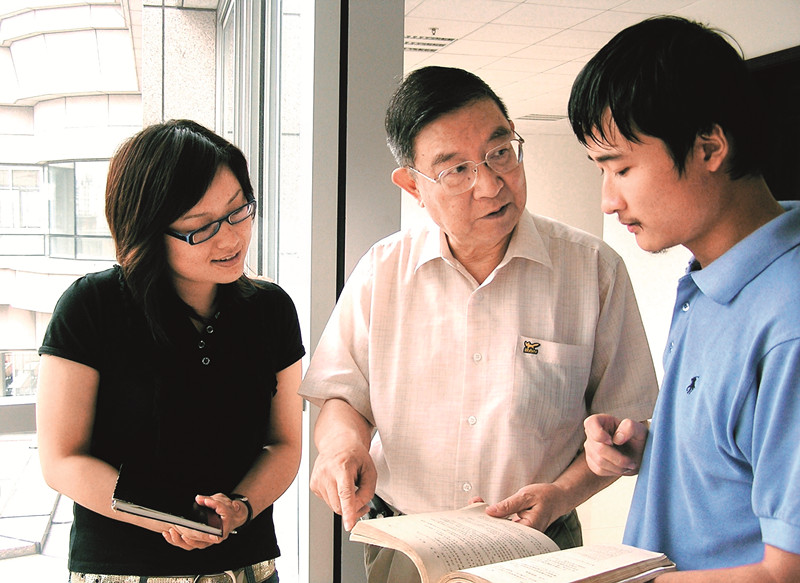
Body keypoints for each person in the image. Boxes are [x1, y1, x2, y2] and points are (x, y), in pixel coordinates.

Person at [299, 65, 659, 582]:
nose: (490, 185)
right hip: (408, 547)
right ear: (413, 186)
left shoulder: (593, 269)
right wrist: (342, 446)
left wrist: (565, 492)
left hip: (542, 547)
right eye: (456, 170)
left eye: (500, 153)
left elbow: (624, 420)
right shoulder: (383, 271)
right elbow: (343, 394)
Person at [569, 16, 800, 581]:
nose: (607, 200)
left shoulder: (788, 319)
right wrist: (658, 450)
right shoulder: (708, 281)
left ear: (709, 147)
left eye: (620, 167)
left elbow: (783, 573)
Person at [36, 120, 305, 583]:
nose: (231, 238)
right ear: (147, 228)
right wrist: (165, 516)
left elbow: (284, 443)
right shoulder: (92, 306)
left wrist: (239, 508)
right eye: (201, 227)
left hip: (244, 567)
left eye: (239, 211)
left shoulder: (270, 309)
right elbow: (62, 459)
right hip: (122, 569)